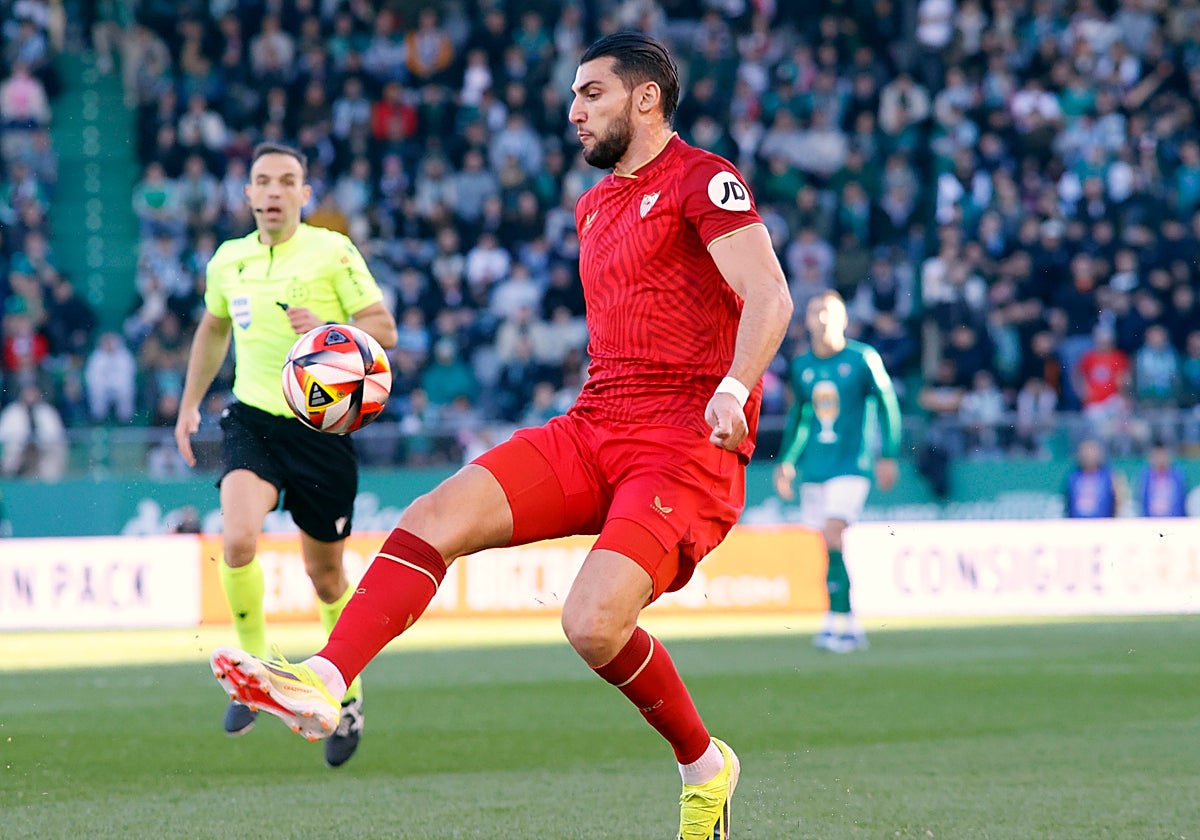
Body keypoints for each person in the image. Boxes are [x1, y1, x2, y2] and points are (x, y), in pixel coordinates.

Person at [209, 33, 791, 839]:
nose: (573, 111)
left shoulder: (705, 179)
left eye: (592, 94)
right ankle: (325, 676)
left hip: (684, 443)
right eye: (575, 96)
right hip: (595, 424)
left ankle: (704, 766)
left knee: (591, 624)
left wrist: (735, 386)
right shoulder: (594, 205)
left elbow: (770, 295)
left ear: (646, 98)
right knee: (431, 517)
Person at [176, 142, 397, 768]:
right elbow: (213, 328)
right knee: (238, 538)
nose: (273, 191)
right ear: (247, 195)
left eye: (287, 181)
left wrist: (327, 325)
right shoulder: (229, 262)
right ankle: (256, 666)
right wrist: (189, 403)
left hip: (321, 431)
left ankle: (345, 694)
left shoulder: (332, 251)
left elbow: (385, 330)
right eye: (262, 181)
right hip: (253, 418)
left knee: (324, 577)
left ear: (305, 195)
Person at [773, 291, 901, 653]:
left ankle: (836, 623)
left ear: (844, 319)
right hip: (815, 466)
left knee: (832, 534)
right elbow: (800, 417)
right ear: (808, 320)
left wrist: (888, 454)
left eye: (830, 312)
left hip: (851, 464)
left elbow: (888, 405)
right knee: (828, 544)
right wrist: (787, 461)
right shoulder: (802, 366)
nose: (823, 319)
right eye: (816, 312)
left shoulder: (862, 359)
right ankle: (848, 621)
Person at [1063, 439, 1124, 518]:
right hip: (1077, 524)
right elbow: (1067, 501)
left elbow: (1118, 500)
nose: (1088, 455)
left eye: (1091, 451)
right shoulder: (1073, 477)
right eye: (1085, 452)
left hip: (1103, 524)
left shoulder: (1108, 476)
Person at [1134, 442, 1189, 518]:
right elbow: (1141, 502)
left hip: (1174, 521)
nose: (1160, 459)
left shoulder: (1177, 478)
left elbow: (1182, 502)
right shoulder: (1145, 478)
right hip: (1150, 521)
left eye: (1163, 455)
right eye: (1157, 456)